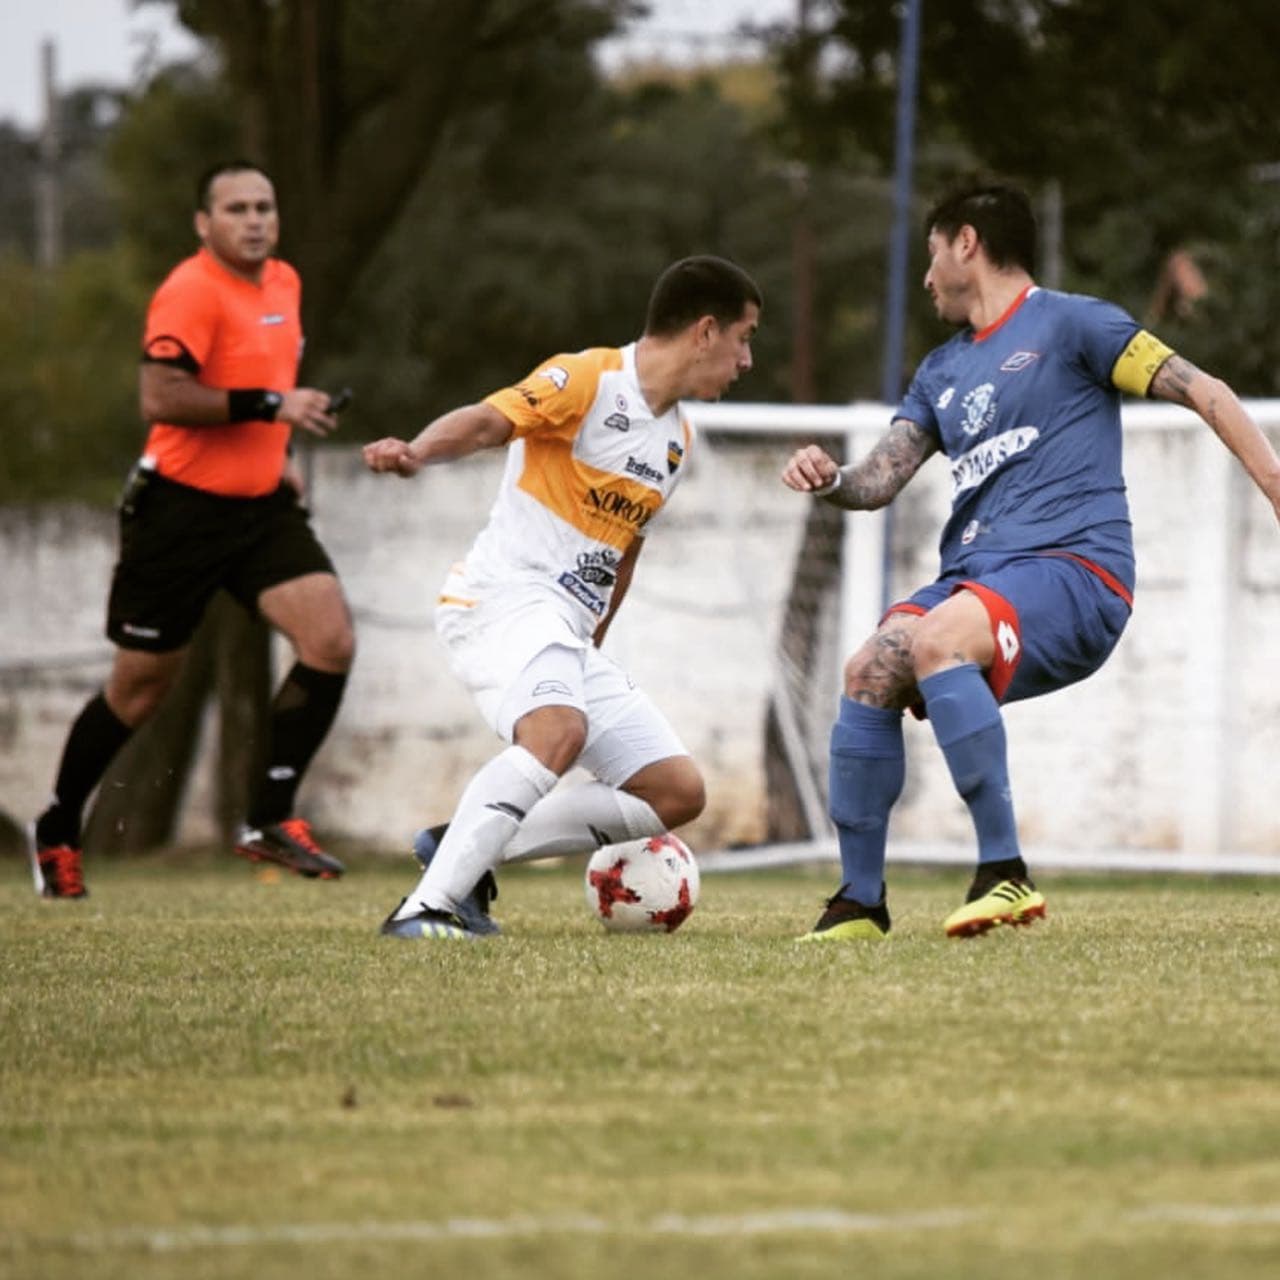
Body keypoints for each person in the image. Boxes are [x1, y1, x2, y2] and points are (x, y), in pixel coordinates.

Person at [782, 181, 1280, 941]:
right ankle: (858, 901)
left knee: (935, 638)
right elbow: (880, 480)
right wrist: (832, 481)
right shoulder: (940, 372)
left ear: (967, 244)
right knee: (868, 669)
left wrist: (1275, 484)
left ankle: (1004, 873)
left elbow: (1202, 389)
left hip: (1076, 571)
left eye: (931, 254)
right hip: (979, 578)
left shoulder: (1077, 324)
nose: (925, 278)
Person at [363, 255, 762, 939]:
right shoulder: (588, 378)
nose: (747, 359)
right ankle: (425, 910)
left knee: (674, 791)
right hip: (502, 600)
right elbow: (491, 420)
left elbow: (626, 546)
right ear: (704, 332)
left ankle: (460, 842)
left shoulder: (676, 439)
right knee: (557, 734)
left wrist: (590, 642)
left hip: (563, 628)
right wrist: (420, 452)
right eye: (744, 337)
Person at [29, 160, 355, 898]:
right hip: (177, 510)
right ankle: (56, 826)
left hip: (260, 507)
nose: (254, 220)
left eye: (264, 206)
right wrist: (274, 407)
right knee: (140, 689)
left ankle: (269, 817)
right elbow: (163, 394)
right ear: (203, 224)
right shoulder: (189, 291)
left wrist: (281, 454)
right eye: (236, 208)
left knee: (329, 639)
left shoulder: (285, 283)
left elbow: (263, 388)